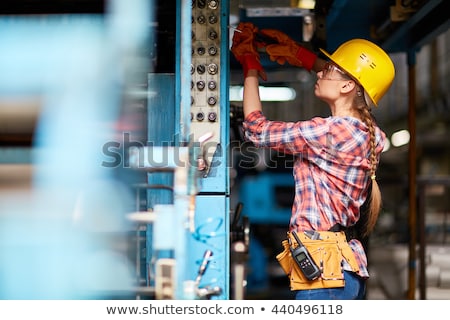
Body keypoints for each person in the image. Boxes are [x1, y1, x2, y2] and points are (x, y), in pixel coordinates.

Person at [231, 22, 395, 300]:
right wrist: (298, 54)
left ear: (347, 85)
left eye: (329, 68)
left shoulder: (331, 132)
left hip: (325, 273)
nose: (320, 71)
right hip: (339, 268)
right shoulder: (368, 133)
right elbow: (348, 83)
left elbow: (256, 130)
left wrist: (250, 67)